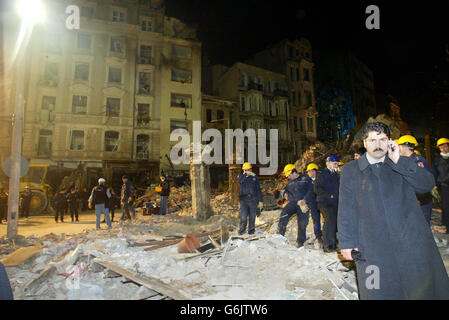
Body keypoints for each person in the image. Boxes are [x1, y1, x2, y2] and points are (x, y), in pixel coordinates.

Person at [337, 122, 449, 299]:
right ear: (364, 143)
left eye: (382, 139)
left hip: (409, 241)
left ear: (389, 142)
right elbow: (346, 208)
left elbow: (426, 185)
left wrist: (400, 161)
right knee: (376, 289)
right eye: (372, 140)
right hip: (372, 246)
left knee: (418, 289)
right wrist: (346, 242)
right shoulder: (351, 171)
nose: (377, 144)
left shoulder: (401, 164)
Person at [397, 135, 433, 225]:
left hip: (421, 199)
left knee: (421, 225)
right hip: (410, 199)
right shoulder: (404, 161)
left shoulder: (418, 162)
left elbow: (423, 183)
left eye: (399, 146)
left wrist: (418, 198)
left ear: (407, 146)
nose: (398, 148)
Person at [278, 164, 312, 248]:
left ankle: (300, 241)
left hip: (303, 203)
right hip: (293, 203)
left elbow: (311, 191)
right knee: (284, 215)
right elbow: (286, 191)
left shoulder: (305, 179)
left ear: (293, 172)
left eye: (289, 175)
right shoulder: (290, 182)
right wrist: (285, 194)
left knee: (302, 222)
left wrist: (305, 199)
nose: (288, 177)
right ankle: (280, 234)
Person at [315, 155, 340, 252]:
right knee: (329, 222)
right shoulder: (321, 174)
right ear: (328, 163)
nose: (336, 165)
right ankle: (327, 245)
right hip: (325, 202)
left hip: (335, 203)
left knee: (335, 222)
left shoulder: (336, 175)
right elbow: (317, 188)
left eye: (337, 164)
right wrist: (328, 195)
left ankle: (334, 243)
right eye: (335, 163)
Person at [238, 163, 264, 235]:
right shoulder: (241, 177)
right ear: (243, 170)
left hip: (253, 200)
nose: (248, 171)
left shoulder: (254, 178)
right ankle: (241, 231)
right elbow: (239, 181)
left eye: (249, 169)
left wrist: (260, 201)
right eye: (246, 170)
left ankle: (251, 232)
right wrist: (245, 175)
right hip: (243, 200)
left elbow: (258, 190)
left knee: (252, 217)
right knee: (244, 217)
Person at [432, 137, 449, 234]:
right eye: (442, 147)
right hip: (444, 186)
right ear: (439, 148)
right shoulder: (437, 160)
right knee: (446, 206)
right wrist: (433, 186)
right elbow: (434, 173)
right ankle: (447, 225)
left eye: (446, 146)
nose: (444, 148)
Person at [305, 163, 323, 246]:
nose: (308, 173)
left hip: (323, 202)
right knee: (316, 221)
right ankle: (318, 236)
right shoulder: (308, 181)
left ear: (314, 171)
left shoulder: (322, 179)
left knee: (327, 220)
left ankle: (328, 235)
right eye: (308, 172)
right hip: (313, 204)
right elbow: (308, 193)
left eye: (310, 171)